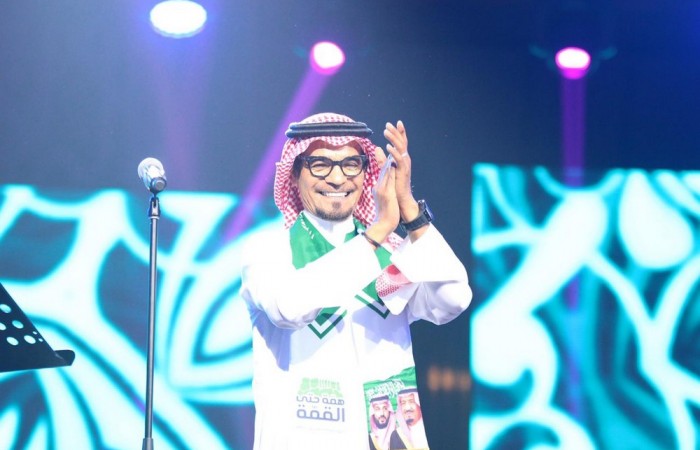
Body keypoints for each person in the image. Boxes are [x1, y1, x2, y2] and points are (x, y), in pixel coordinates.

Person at [240, 112, 472, 450]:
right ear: (294, 173)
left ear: (366, 174)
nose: (337, 178)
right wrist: (379, 229)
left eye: (351, 164)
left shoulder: (391, 251)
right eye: (320, 164)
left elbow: (454, 299)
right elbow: (289, 308)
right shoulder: (268, 249)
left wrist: (408, 208)